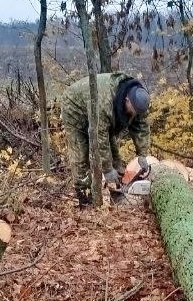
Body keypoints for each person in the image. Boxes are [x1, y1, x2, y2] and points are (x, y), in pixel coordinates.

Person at [60, 72, 151, 206]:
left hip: (99, 113)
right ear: (127, 99)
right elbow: (99, 137)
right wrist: (107, 169)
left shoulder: (139, 102)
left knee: (115, 157)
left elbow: (142, 127)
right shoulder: (105, 101)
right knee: (80, 154)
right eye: (133, 110)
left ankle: (118, 192)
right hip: (75, 108)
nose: (135, 114)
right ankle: (85, 199)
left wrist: (142, 155)